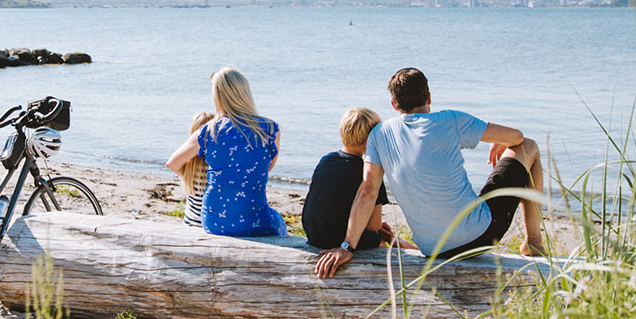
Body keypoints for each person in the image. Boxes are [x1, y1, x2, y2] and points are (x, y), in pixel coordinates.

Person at [314, 68, 544, 278]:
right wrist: (500, 140)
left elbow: (368, 191)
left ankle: (532, 242)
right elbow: (518, 139)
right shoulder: (451, 119)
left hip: (432, 249)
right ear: (429, 97)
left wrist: (347, 247)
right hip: (479, 237)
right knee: (530, 146)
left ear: (394, 105)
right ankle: (533, 242)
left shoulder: (379, 134)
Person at [166, 67, 286, 237]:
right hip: (254, 219)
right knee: (278, 222)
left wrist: (196, 177)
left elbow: (172, 163)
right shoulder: (269, 129)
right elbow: (266, 169)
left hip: (212, 219)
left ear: (218, 96)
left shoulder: (209, 130)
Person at [301, 107, 412, 251]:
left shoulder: (326, 160)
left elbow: (330, 200)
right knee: (382, 245)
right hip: (339, 240)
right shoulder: (369, 173)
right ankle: (401, 247)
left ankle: (400, 244)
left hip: (314, 234)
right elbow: (373, 228)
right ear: (369, 141)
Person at [177, 111, 215, 227]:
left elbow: (172, 165)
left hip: (190, 224)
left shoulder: (189, 167)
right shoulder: (216, 167)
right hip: (211, 226)